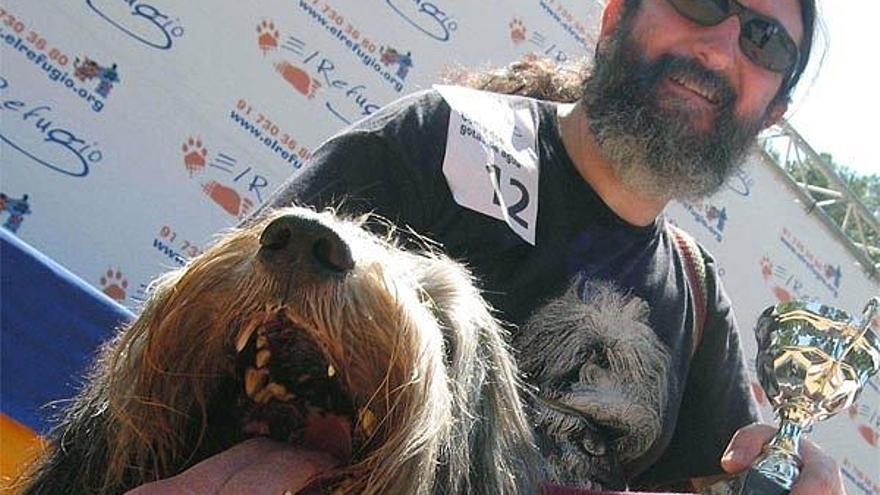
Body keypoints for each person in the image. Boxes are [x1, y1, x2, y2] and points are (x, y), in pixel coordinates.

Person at [133, 0, 847, 493]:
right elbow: (204, 327)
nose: (720, 46)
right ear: (615, 17)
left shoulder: (696, 296)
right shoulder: (445, 137)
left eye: (766, 40)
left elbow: (710, 481)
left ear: (771, 113)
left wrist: (781, 476)